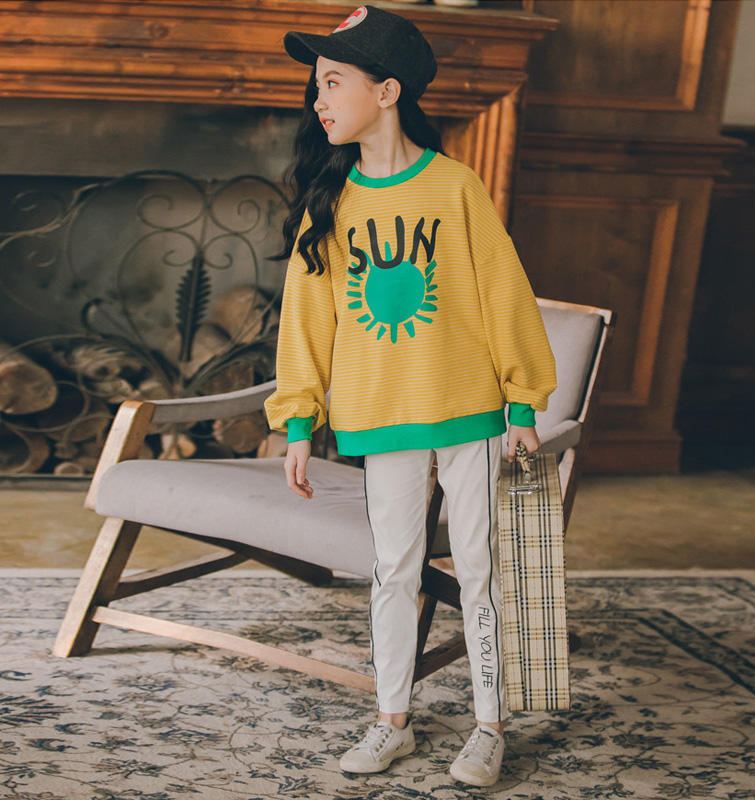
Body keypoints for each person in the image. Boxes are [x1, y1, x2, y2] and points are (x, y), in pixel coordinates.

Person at [265, 4, 556, 788]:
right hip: (380, 416)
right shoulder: (329, 202)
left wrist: (523, 405)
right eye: (316, 86)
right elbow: (306, 321)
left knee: (480, 572)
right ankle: (392, 719)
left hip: (471, 414)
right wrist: (299, 422)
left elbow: (503, 294)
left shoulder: (455, 187)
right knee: (393, 571)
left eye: (333, 82)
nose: (319, 101)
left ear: (387, 90)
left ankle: (489, 727)